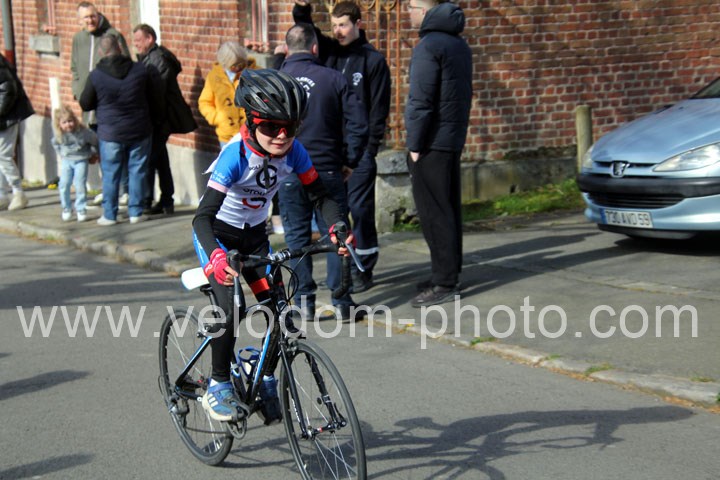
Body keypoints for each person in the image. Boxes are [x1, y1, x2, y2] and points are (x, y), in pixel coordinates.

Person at [192, 68, 353, 421]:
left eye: (290, 128)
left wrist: (337, 227)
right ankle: (218, 383)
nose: (281, 136)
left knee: (282, 314)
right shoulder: (235, 156)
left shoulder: (294, 152)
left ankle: (263, 374)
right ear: (251, 122)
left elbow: (321, 197)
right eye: (270, 127)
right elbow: (201, 218)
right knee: (232, 305)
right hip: (218, 236)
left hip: (255, 239)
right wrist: (217, 256)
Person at [292, 0, 391, 293]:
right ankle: (341, 274)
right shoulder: (330, 53)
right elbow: (305, 33)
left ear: (358, 24)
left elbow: (378, 111)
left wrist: (369, 150)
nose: (338, 31)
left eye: (344, 25)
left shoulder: (373, 60)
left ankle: (363, 268)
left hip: (360, 152)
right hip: (335, 154)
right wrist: (301, 9)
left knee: (359, 210)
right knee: (335, 216)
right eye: (334, 25)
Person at [278, 23, 368, 321]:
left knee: (296, 236)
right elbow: (359, 123)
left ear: (287, 49)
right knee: (337, 235)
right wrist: (350, 160)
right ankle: (342, 301)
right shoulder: (334, 78)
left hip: (289, 170)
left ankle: (304, 301)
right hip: (327, 167)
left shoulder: (277, 80)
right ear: (315, 48)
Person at [405, 0, 473, 307]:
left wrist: (415, 145)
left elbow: (421, 100)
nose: (408, 12)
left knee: (434, 213)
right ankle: (447, 273)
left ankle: (444, 282)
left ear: (424, 11)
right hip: (451, 137)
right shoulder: (459, 45)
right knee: (448, 209)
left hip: (431, 141)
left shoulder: (429, 46)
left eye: (411, 6)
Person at [79, 34, 159, 226]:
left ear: (101, 52)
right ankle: (136, 212)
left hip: (110, 132)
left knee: (111, 173)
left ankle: (109, 214)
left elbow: (85, 103)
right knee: (138, 171)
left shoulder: (96, 75)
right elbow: (153, 97)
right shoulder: (140, 70)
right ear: (120, 49)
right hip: (139, 128)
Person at [132, 24, 197, 215]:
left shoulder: (157, 60)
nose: (136, 44)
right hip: (160, 118)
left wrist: (156, 120)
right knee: (160, 159)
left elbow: (158, 94)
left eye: (139, 40)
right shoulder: (153, 58)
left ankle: (148, 201)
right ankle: (166, 201)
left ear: (150, 39)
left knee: (149, 160)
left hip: (160, 118)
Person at [71, 1, 130, 205]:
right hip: (88, 106)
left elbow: (125, 64)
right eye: (85, 18)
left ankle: (124, 190)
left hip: (109, 105)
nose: (90, 20)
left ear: (98, 15)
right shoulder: (78, 39)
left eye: (92, 16)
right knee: (101, 151)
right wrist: (77, 91)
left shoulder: (112, 35)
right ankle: (108, 190)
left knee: (116, 149)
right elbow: (75, 68)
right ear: (79, 20)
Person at [198, 41, 257, 147]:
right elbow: (205, 102)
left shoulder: (255, 73)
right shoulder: (214, 76)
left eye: (241, 64)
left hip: (253, 134)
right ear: (225, 64)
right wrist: (217, 118)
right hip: (227, 136)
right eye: (234, 66)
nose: (238, 68)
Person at [51, 105, 98, 222]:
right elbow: (55, 144)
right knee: (64, 184)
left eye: (70, 121)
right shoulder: (59, 135)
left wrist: (94, 154)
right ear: (59, 124)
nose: (68, 124)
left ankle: (81, 208)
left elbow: (95, 141)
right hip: (67, 161)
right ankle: (66, 208)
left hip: (81, 160)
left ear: (75, 120)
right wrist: (61, 154)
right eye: (64, 122)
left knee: (79, 184)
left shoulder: (83, 132)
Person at [0, 53, 34, 211]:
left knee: (3, 155)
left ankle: (18, 192)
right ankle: (2, 195)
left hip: (7, 116)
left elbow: (8, 90)